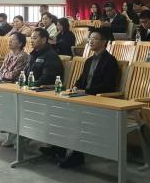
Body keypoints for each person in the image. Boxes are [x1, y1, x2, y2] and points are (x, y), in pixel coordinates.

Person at [40, 27, 119, 168]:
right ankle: (59, 148)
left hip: (98, 100)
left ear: (104, 42)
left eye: (95, 39)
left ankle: (77, 155)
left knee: (75, 117)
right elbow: (81, 79)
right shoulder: (89, 60)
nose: (91, 41)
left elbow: (108, 85)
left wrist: (86, 91)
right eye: (90, 38)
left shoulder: (110, 61)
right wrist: (76, 87)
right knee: (59, 111)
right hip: (83, 98)